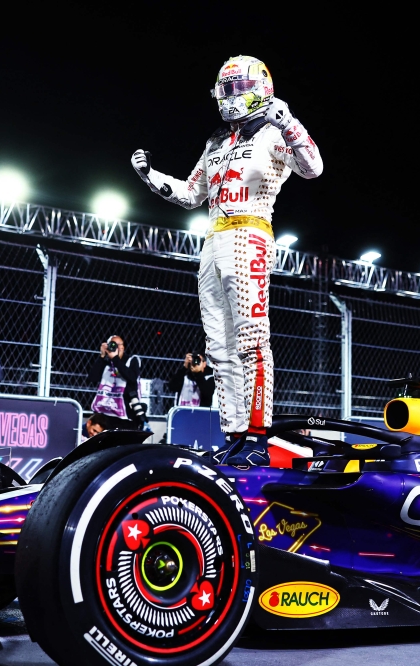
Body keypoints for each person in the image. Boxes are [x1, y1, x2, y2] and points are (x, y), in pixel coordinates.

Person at [131, 55, 323, 466]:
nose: (229, 97)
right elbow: (189, 193)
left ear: (260, 88)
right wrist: (151, 176)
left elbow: (313, 167)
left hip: (250, 235)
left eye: (237, 88)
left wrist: (288, 119)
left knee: (252, 340)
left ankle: (257, 435)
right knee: (218, 348)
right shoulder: (216, 141)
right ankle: (235, 435)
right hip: (211, 241)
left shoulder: (274, 131)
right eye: (225, 89)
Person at [87, 335, 143, 429]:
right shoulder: (106, 362)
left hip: (125, 415)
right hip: (105, 413)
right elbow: (92, 378)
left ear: (123, 347)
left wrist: (115, 359)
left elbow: (132, 377)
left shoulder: (131, 360)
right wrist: (102, 356)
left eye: (119, 344)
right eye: (113, 344)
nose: (116, 347)